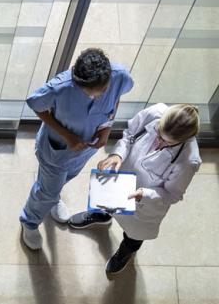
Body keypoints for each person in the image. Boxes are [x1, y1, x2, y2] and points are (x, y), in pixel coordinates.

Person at [19, 48, 134, 251]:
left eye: (102, 90)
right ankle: (29, 221)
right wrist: (68, 135)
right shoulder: (60, 87)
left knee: (62, 179)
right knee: (46, 189)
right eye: (89, 92)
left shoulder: (120, 76)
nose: (97, 96)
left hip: (85, 148)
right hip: (58, 149)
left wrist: (107, 127)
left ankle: (53, 197)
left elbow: (116, 98)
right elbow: (36, 105)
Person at [67, 103, 202, 276]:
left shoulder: (189, 160)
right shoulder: (154, 112)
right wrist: (118, 154)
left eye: (167, 142)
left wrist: (144, 195)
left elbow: (172, 194)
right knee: (107, 202)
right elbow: (130, 135)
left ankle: (126, 251)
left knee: (134, 234)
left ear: (184, 140)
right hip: (122, 176)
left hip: (145, 202)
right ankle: (101, 216)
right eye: (159, 133)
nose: (158, 142)